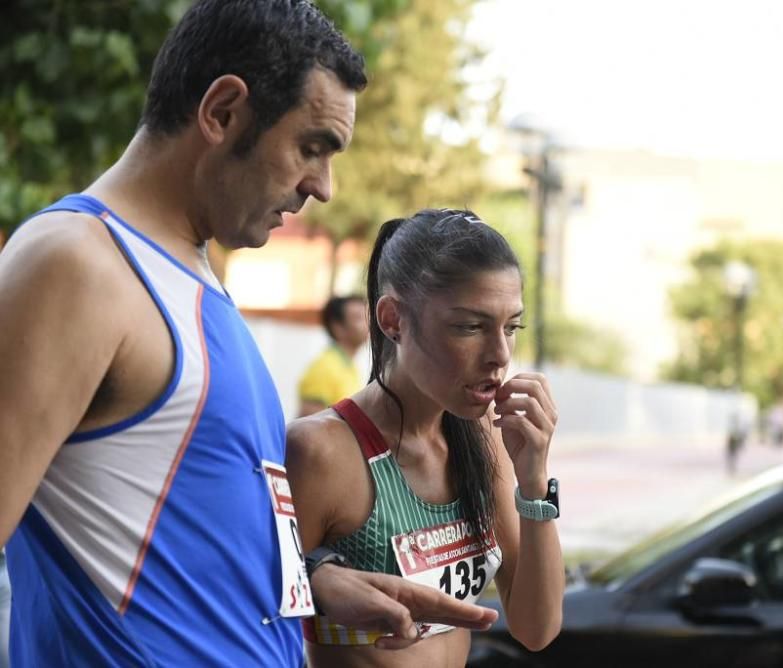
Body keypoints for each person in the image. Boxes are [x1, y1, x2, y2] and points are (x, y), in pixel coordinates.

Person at [0, 2, 495, 666]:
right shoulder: (77, 266)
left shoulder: (192, 278)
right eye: (311, 146)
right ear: (223, 112)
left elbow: (190, 537)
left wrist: (316, 582)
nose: (322, 186)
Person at [286, 208, 565, 667]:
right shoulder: (322, 452)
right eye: (469, 327)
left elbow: (538, 629)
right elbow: (247, 615)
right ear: (393, 319)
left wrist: (534, 480)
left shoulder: (483, 440)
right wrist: (317, 581)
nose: (499, 355)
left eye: (511, 327)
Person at [299, 294, 369, 416]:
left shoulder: (348, 365)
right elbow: (310, 425)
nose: (368, 324)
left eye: (367, 316)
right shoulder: (324, 368)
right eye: (358, 318)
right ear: (338, 328)